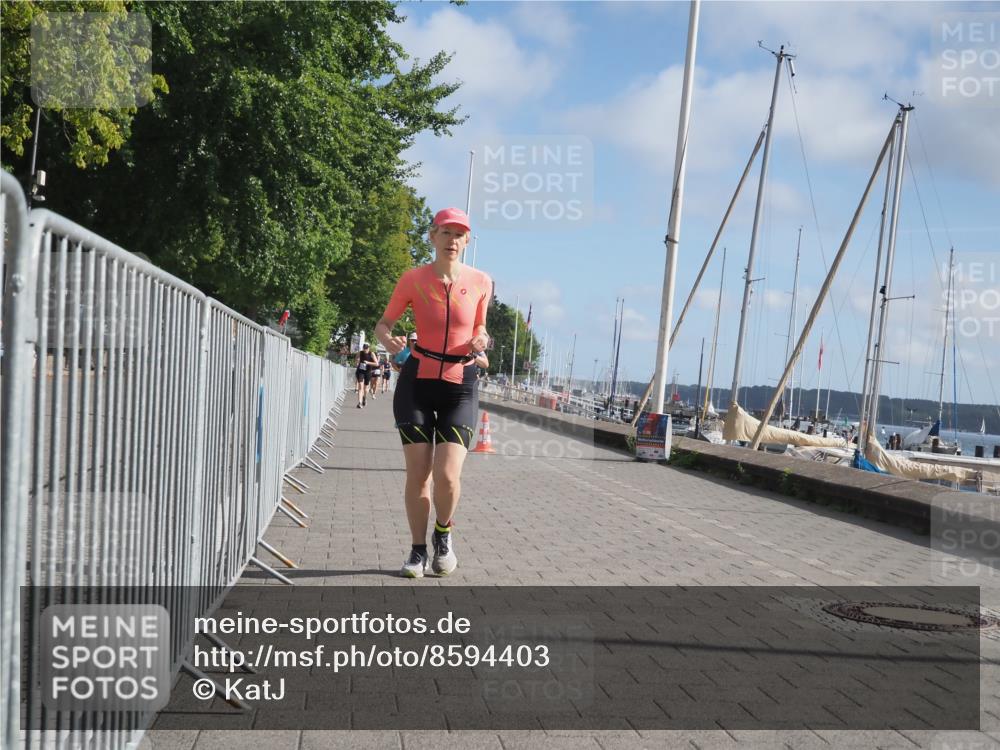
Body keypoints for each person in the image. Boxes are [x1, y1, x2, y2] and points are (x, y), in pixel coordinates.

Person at [375, 207, 491, 578]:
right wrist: (390, 343)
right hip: (417, 381)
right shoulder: (413, 279)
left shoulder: (480, 281)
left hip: (461, 382)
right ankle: (416, 551)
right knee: (418, 474)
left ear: (468, 240)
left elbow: (481, 327)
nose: (453, 240)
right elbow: (384, 324)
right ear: (432, 236)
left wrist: (481, 338)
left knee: (448, 475)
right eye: (446, 233)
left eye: (460, 234)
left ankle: (444, 534)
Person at [355, 343, 379, 408]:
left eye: (366, 348)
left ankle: (364, 398)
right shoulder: (360, 353)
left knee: (366, 388)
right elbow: (356, 360)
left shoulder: (371, 354)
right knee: (360, 386)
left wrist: (368, 362)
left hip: (368, 372)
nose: (365, 349)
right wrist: (357, 362)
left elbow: (376, 364)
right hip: (360, 371)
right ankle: (359, 403)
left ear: (369, 348)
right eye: (364, 348)